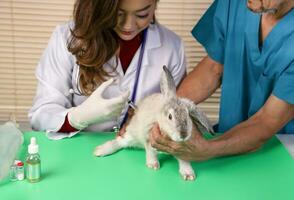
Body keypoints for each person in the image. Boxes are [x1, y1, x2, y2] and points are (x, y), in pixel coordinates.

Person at [150, 0, 294, 161]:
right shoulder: (234, 3)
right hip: (226, 136)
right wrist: (162, 110)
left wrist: (207, 149)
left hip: (281, 149)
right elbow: (213, 69)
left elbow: (266, 120)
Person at [29, 0, 186, 140]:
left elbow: (179, 113)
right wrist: (76, 118)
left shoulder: (172, 47)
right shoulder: (67, 38)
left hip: (140, 150)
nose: (128, 25)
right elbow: (41, 114)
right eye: (117, 13)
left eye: (142, 14)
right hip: (80, 150)